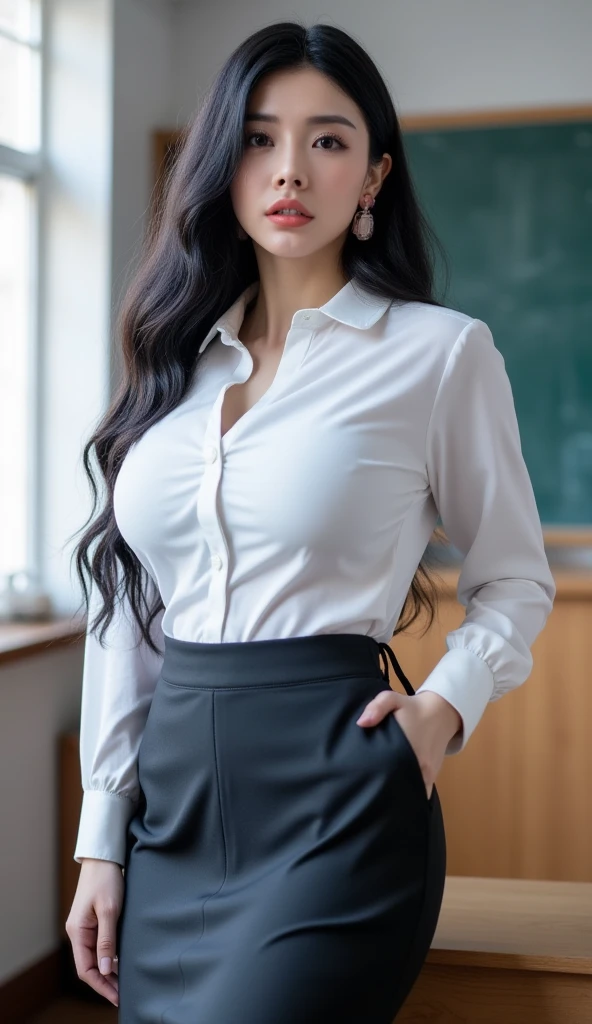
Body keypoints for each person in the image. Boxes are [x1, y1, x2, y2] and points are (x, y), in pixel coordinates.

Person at [65, 19, 556, 1023]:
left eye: (328, 140)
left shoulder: (439, 356)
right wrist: (100, 836)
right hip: (176, 809)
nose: (290, 167)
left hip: (337, 793)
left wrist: (441, 710)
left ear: (373, 177)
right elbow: (130, 612)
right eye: (257, 137)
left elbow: (514, 579)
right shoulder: (170, 362)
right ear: (221, 164)